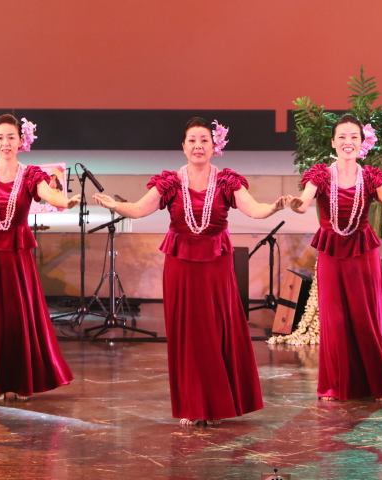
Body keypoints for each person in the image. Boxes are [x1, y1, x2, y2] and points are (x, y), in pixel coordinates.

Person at [94, 117, 289, 426]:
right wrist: (115, 206)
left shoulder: (227, 182)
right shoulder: (170, 182)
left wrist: (274, 207)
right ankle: (193, 403)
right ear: (183, 146)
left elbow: (255, 209)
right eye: (192, 141)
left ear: (214, 146)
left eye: (204, 140)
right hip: (181, 263)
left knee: (215, 328)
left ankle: (217, 403)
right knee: (187, 331)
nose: (198, 146)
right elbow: (139, 209)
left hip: (216, 264)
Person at [0, 114, 80, 402]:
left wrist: (66, 202)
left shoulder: (30, 174)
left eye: (11, 137)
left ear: (21, 142)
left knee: (19, 317)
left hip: (18, 255)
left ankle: (21, 382)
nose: (5, 143)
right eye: (0, 137)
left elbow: (50, 195)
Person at [289, 114, 382, 402]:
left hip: (363, 252)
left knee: (365, 317)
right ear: (333, 142)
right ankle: (335, 385)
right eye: (342, 137)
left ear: (363, 143)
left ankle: (377, 385)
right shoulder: (320, 175)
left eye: (354, 137)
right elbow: (304, 202)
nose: (347, 142)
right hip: (331, 252)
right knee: (334, 319)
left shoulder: (371, 176)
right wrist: (295, 204)